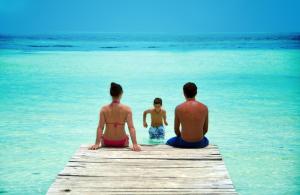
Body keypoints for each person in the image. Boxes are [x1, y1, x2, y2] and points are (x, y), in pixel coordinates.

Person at [89, 82, 141, 151]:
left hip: (106, 142)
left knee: (103, 135)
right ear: (121, 93)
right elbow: (131, 128)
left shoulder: (104, 109)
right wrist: (135, 144)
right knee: (127, 136)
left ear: (111, 94)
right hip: (122, 142)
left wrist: (97, 143)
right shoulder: (127, 109)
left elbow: (100, 128)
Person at [166, 82, 209, 148]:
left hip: (184, 142)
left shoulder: (178, 108)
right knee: (206, 140)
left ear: (184, 93)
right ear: (196, 93)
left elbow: (176, 130)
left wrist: (183, 138)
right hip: (199, 143)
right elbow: (205, 129)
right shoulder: (204, 108)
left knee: (169, 141)